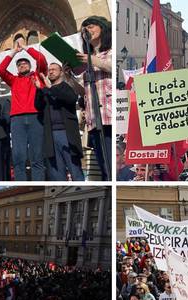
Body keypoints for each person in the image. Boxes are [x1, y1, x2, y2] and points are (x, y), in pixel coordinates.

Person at [0, 36, 48, 181]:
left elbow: (42, 60)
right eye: (19, 65)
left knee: (37, 156)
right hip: (17, 119)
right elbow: (1, 69)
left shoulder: (37, 75)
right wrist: (14, 52)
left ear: (30, 66)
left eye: (25, 63)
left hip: (35, 117)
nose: (22, 65)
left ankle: (38, 184)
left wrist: (26, 48)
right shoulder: (13, 80)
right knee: (19, 157)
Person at [69, 16, 112, 180]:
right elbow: (82, 91)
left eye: (91, 26)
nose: (87, 30)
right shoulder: (88, 61)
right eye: (84, 28)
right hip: (94, 120)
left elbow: (110, 66)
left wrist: (90, 59)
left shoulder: (110, 52)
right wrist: (69, 77)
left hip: (109, 117)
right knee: (103, 167)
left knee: (109, 164)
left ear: (102, 28)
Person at [34, 63, 85, 181]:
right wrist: (39, 90)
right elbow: (38, 106)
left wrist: (50, 88)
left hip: (66, 134)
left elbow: (71, 98)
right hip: (50, 135)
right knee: (56, 172)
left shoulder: (65, 86)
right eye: (49, 70)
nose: (50, 72)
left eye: (54, 70)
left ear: (61, 72)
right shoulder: (46, 90)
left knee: (75, 169)